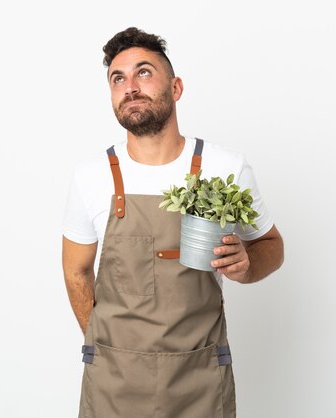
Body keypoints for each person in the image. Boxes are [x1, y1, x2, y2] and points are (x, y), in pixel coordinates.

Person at [62, 27, 284, 418]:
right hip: (114, 383)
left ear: (176, 87)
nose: (130, 86)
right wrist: (104, 346)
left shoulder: (224, 167)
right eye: (118, 79)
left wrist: (247, 267)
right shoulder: (90, 177)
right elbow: (76, 270)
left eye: (143, 72)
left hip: (198, 379)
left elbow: (271, 246)